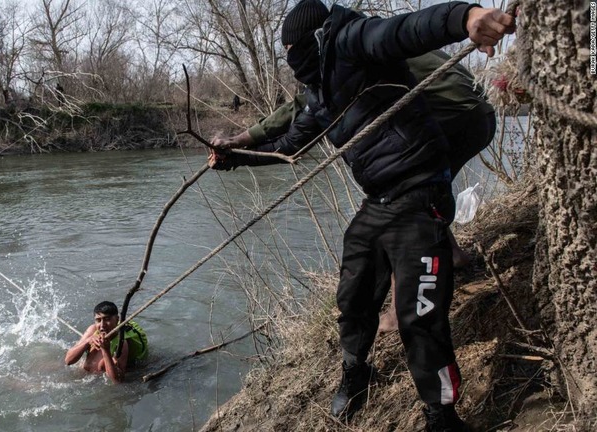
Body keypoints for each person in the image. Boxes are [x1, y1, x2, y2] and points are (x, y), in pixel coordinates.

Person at [208, 1, 514, 430]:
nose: (292, 59)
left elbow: (408, 29)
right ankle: (356, 373)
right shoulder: (322, 91)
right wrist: (236, 157)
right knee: (353, 298)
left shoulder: (354, 42)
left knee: (419, 316)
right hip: (380, 201)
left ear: (315, 39)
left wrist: (465, 18)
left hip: (421, 193)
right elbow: (291, 145)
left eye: (294, 48)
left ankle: (441, 415)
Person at [212, 48, 496, 333]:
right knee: (423, 193)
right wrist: (239, 152)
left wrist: (238, 140)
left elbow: (297, 110)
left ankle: (399, 311)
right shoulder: (366, 42)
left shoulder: (345, 56)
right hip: (481, 114)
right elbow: (295, 134)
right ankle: (452, 254)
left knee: (401, 199)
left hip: (452, 115)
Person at [65, 301, 148, 383]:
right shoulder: (92, 330)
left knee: (102, 365)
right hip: (84, 378)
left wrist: (106, 350)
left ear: (117, 319)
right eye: (98, 320)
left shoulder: (122, 343)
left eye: (107, 319)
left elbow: (117, 381)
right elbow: (68, 361)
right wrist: (88, 340)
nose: (102, 325)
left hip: (98, 381)